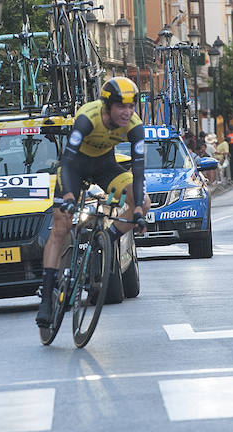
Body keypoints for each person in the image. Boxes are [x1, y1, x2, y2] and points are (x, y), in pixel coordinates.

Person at [36, 77, 148, 328]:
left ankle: (108, 237)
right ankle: (46, 295)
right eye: (122, 106)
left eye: (132, 106)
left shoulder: (134, 126)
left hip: (105, 166)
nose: (128, 112)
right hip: (74, 167)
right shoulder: (88, 117)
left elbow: (139, 169)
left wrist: (138, 208)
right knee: (62, 226)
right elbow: (66, 160)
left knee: (145, 200)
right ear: (107, 106)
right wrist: (67, 197)